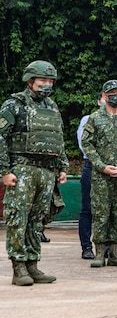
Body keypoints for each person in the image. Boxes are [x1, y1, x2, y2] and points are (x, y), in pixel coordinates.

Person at [0, 60, 68, 286]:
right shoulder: (14, 104)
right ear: (30, 81)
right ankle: (18, 266)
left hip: (46, 171)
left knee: (37, 220)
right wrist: (4, 171)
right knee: (18, 218)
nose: (47, 84)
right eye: (42, 80)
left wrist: (62, 166)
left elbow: (58, 137)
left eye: (50, 81)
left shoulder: (52, 106)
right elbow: (1, 137)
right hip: (22, 169)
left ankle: (32, 263)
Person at [80, 80, 117, 268]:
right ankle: (99, 252)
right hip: (101, 175)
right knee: (100, 212)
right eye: (112, 93)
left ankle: (115, 252)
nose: (116, 96)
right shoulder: (95, 118)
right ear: (104, 96)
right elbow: (87, 144)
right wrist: (101, 166)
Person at [76, 96, 103, 259]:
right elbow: (83, 144)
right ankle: (86, 246)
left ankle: (108, 247)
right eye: (106, 96)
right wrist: (101, 163)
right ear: (99, 101)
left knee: (111, 209)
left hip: (114, 168)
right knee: (87, 208)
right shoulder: (88, 119)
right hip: (92, 166)